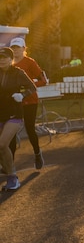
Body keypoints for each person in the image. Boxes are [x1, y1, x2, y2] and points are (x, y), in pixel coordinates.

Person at [0, 46, 37, 191]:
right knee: (1, 149)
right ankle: (9, 172)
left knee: (2, 144)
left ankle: (12, 178)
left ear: (11, 59)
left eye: (5, 57)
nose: (2, 60)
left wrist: (22, 95)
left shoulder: (18, 73)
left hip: (14, 114)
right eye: (0, 58)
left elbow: (32, 87)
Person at [7, 37, 48, 168]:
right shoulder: (8, 64)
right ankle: (10, 164)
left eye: (18, 48)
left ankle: (37, 154)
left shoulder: (30, 62)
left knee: (30, 129)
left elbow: (43, 80)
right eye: (13, 48)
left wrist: (28, 85)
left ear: (24, 49)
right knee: (11, 132)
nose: (16, 51)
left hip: (30, 101)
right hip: (14, 103)